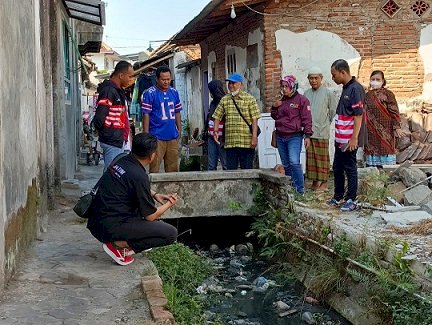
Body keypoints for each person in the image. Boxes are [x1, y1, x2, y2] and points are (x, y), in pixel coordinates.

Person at [87, 133, 178, 266]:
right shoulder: (139, 176)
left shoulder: (122, 159)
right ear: (152, 155)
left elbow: (129, 185)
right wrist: (169, 203)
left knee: (142, 212)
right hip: (109, 228)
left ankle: (123, 241)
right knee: (170, 234)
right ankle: (119, 246)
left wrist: (154, 194)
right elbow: (151, 216)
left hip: (97, 221)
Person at [327, 59, 366, 211]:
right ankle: (338, 197)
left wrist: (354, 138)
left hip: (349, 138)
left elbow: (358, 115)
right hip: (340, 137)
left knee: (350, 168)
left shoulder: (356, 89)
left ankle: (351, 199)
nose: (333, 78)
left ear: (343, 72)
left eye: (334, 75)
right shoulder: (346, 87)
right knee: (337, 167)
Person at [271, 75, 312, 195]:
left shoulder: (302, 100)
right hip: (280, 135)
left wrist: (307, 136)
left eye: (286, 86)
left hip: (294, 135)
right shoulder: (281, 100)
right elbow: (274, 116)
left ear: (293, 86)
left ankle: (300, 190)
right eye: (282, 86)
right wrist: (274, 106)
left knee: (294, 161)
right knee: (286, 164)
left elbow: (307, 119)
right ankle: (290, 189)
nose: (284, 89)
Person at [212, 73, 260, 170]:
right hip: (230, 142)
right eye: (229, 83)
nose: (230, 85)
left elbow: (254, 119)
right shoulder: (225, 100)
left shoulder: (249, 99)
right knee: (231, 172)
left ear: (240, 84)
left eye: (233, 83)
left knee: (247, 170)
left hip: (246, 141)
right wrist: (215, 131)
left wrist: (254, 137)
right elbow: (217, 116)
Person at [93, 61, 134, 171]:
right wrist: (108, 133)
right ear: (121, 76)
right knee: (111, 174)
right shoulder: (109, 91)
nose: (131, 79)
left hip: (118, 140)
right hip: (112, 141)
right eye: (129, 76)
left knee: (115, 173)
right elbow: (99, 118)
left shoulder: (118, 91)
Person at [141, 66, 182, 173]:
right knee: (154, 168)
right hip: (156, 136)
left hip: (172, 136)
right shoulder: (149, 93)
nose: (166, 82)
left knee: (173, 169)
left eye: (168, 79)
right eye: (163, 79)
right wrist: (146, 135)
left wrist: (179, 129)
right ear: (157, 79)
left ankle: (172, 189)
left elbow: (177, 111)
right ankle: (154, 190)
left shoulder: (174, 92)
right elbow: (146, 114)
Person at [304, 67, 336, 191]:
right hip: (309, 132)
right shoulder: (306, 93)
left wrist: (326, 123)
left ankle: (324, 183)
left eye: (316, 78)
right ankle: (315, 182)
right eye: (311, 78)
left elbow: (333, 111)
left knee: (322, 159)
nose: (313, 81)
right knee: (311, 159)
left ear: (321, 78)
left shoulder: (328, 93)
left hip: (322, 130)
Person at [364, 70, 402, 167]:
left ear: (383, 81)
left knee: (386, 148)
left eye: (378, 79)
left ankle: (387, 173)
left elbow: (394, 111)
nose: (375, 81)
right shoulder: (367, 95)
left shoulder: (388, 94)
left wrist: (397, 126)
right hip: (371, 130)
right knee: (372, 150)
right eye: (373, 79)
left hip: (386, 129)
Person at [205, 80, 227, 170]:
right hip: (211, 136)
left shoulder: (225, 102)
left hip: (222, 137)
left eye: (210, 91)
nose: (210, 93)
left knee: (225, 164)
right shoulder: (213, 103)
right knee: (211, 165)